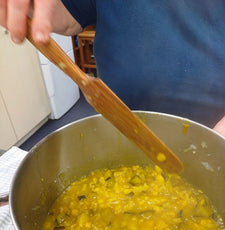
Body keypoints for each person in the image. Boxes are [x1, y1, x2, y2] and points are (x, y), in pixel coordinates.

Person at [1, 0, 225, 136]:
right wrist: (29, 9)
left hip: (214, 133)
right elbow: (68, 17)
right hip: (118, 125)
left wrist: (217, 143)